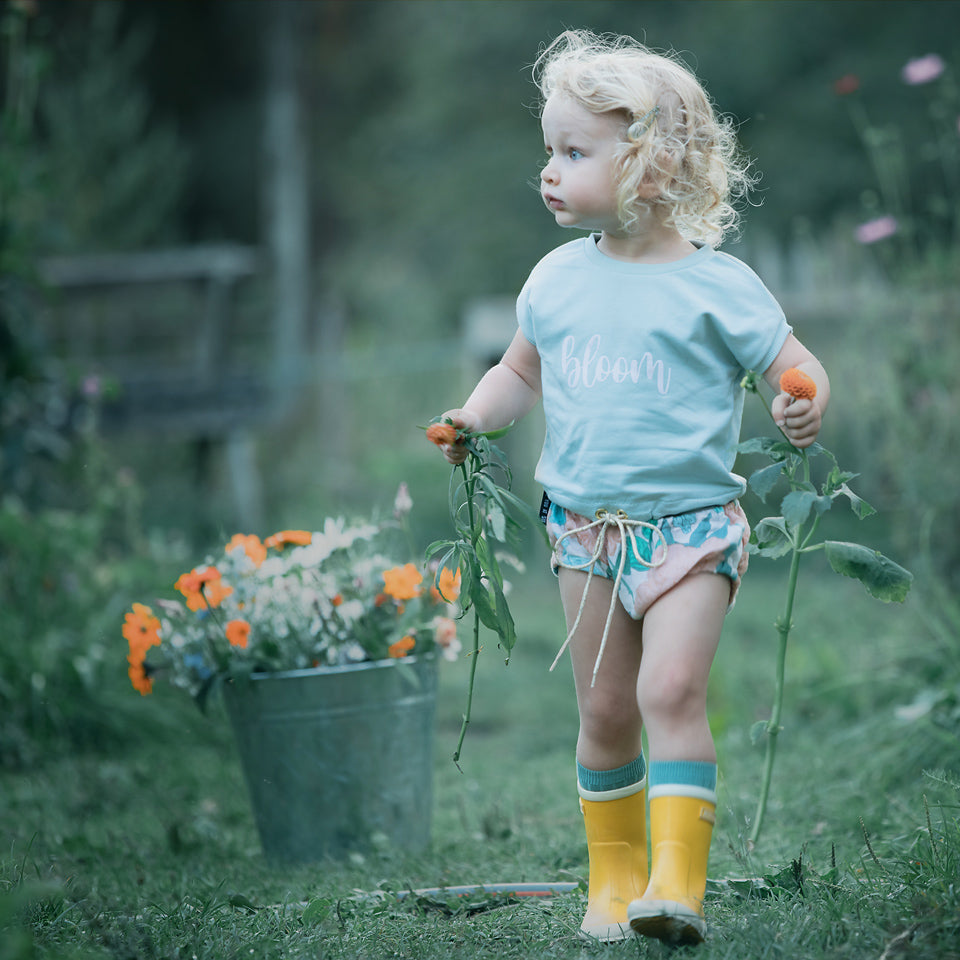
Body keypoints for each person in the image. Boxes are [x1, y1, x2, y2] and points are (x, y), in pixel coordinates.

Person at [432, 29, 829, 947]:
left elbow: (793, 364)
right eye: (549, 151)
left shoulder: (718, 287)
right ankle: (611, 880)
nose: (549, 170)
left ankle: (676, 886)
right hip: (585, 533)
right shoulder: (555, 281)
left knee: (673, 692)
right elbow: (516, 374)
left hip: (690, 531)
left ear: (649, 162)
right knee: (605, 711)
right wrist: (469, 419)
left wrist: (800, 401)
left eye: (574, 152)